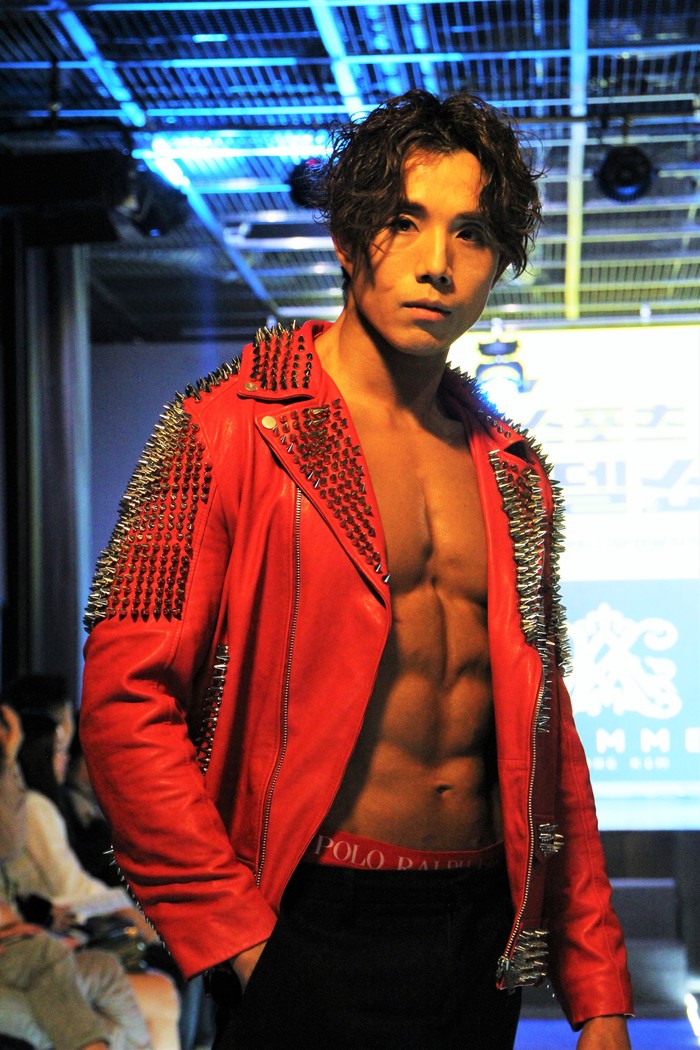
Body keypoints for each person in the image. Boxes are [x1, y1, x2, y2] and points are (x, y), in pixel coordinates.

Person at [79, 89, 633, 1049]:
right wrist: (238, 936)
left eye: (470, 233)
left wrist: (599, 989)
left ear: (498, 261)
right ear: (347, 238)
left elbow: (548, 736)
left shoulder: (512, 471)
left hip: (479, 930)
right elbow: (125, 701)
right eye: (404, 222)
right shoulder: (227, 430)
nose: (436, 262)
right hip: (307, 919)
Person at [0, 702, 151, 1050]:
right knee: (48, 964)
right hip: (26, 955)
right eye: (58, 749)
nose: (66, 759)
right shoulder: (34, 807)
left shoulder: (51, 804)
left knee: (103, 969)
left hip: (26, 946)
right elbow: (13, 843)